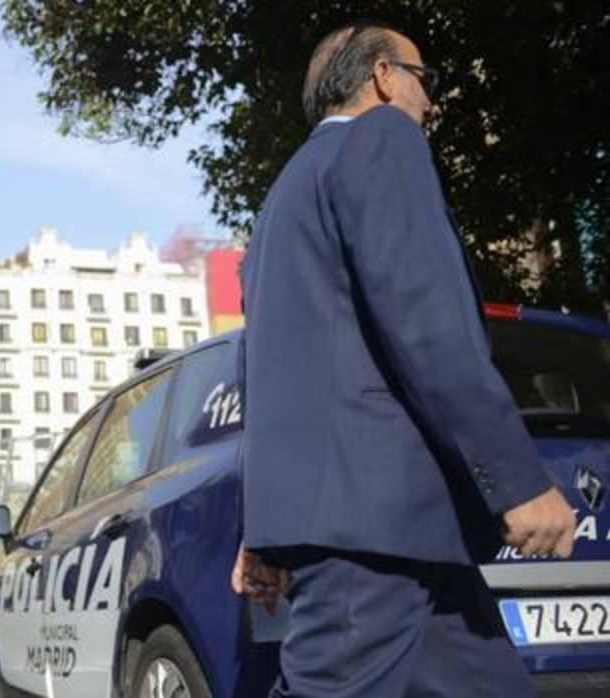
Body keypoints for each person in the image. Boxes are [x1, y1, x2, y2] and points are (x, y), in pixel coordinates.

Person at [232, 20, 578, 698]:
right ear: (386, 78)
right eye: (427, 82)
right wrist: (516, 480)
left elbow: (266, 377)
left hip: (403, 534)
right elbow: (428, 322)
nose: (433, 103)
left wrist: (263, 532)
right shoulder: (382, 140)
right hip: (374, 532)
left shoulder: (281, 202)